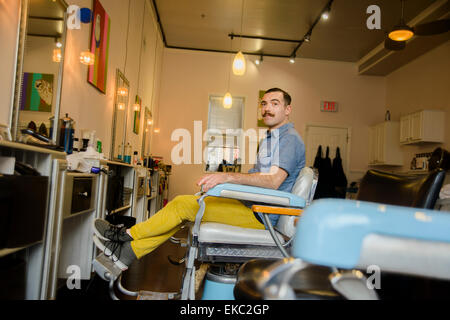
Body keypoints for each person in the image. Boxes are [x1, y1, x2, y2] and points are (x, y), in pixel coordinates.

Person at [93, 88, 306, 270]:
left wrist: (228, 176)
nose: (267, 108)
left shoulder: (289, 139)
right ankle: (127, 253)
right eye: (264, 103)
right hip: (252, 208)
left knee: (182, 205)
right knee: (194, 203)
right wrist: (226, 182)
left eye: (275, 104)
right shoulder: (273, 138)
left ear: (287, 109)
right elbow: (257, 176)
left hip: (262, 216)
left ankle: (125, 235)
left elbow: (272, 181)